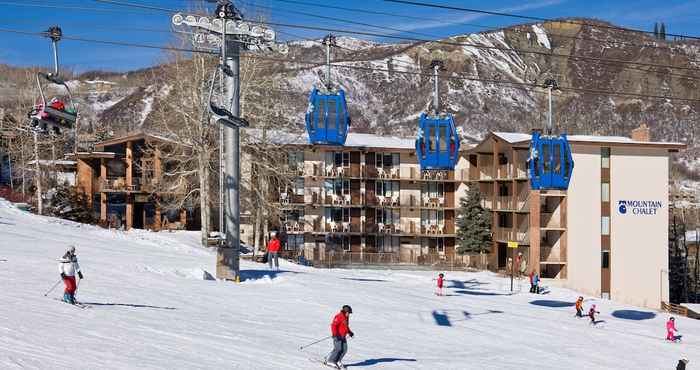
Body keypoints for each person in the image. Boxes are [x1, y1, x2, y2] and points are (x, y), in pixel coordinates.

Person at [325, 305, 354, 369]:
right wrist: (335, 334)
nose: (349, 314)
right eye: (348, 313)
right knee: (338, 349)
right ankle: (330, 361)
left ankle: (338, 361)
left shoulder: (346, 317)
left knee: (344, 350)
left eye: (349, 313)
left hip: (343, 336)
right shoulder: (339, 316)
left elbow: (345, 326)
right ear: (345, 311)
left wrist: (349, 332)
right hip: (337, 336)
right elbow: (333, 325)